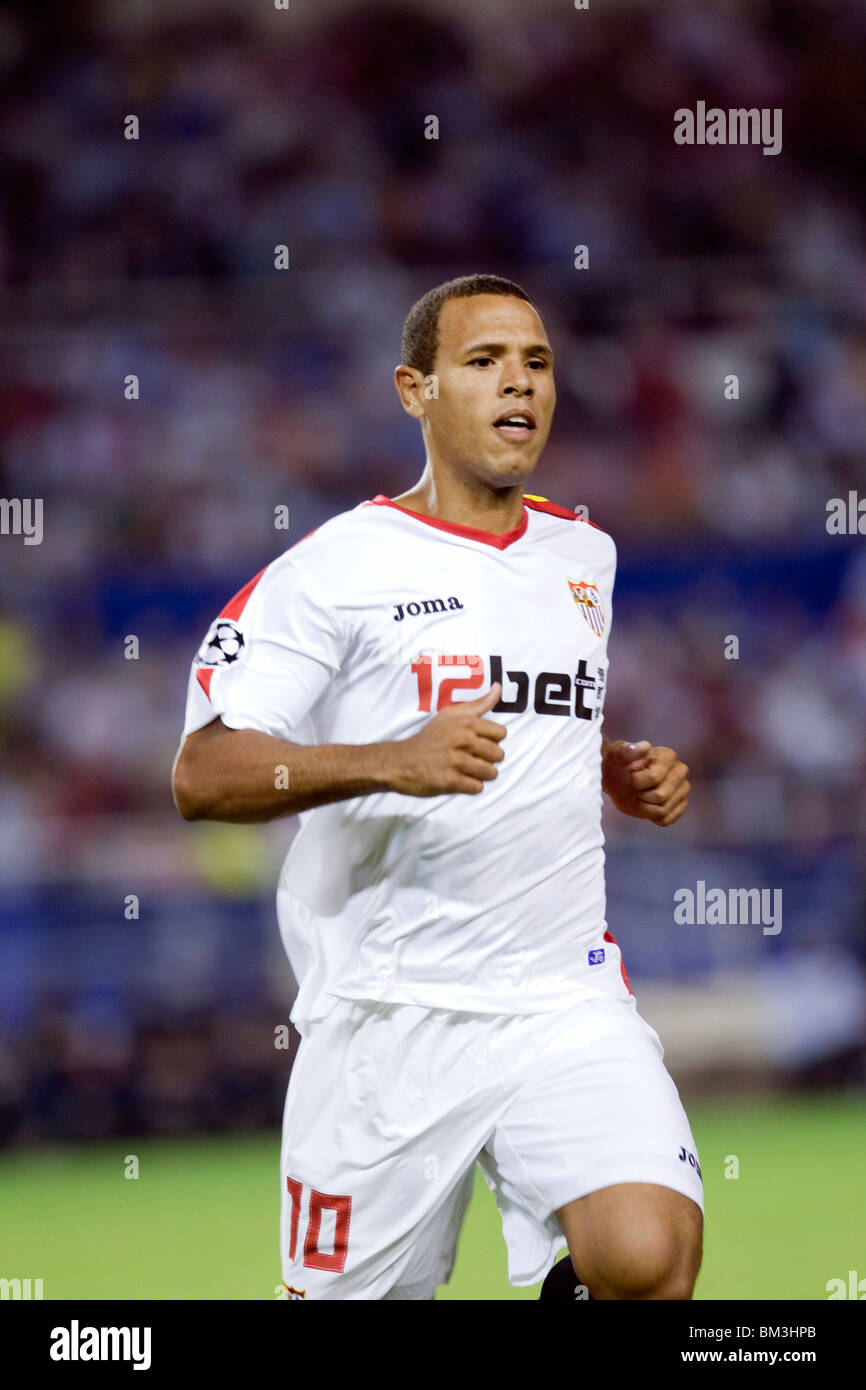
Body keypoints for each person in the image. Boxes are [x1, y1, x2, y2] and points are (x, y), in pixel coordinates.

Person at [171, 274, 701, 1301]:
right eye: (484, 361)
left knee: (648, 1259)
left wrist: (613, 769)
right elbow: (204, 772)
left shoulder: (581, 554)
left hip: (560, 994)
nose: (520, 384)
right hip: (388, 1016)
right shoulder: (332, 570)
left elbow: (530, 718)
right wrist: (387, 760)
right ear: (414, 390)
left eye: (537, 362)